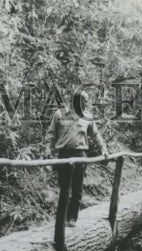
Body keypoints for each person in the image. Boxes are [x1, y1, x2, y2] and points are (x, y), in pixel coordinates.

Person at [45, 89, 109, 228]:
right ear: (76, 101)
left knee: (77, 188)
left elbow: (96, 134)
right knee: (64, 188)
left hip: (80, 155)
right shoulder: (60, 114)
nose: (86, 104)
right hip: (64, 155)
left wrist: (103, 148)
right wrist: (48, 148)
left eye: (87, 101)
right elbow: (51, 133)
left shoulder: (87, 116)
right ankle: (61, 217)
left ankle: (72, 217)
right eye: (84, 101)